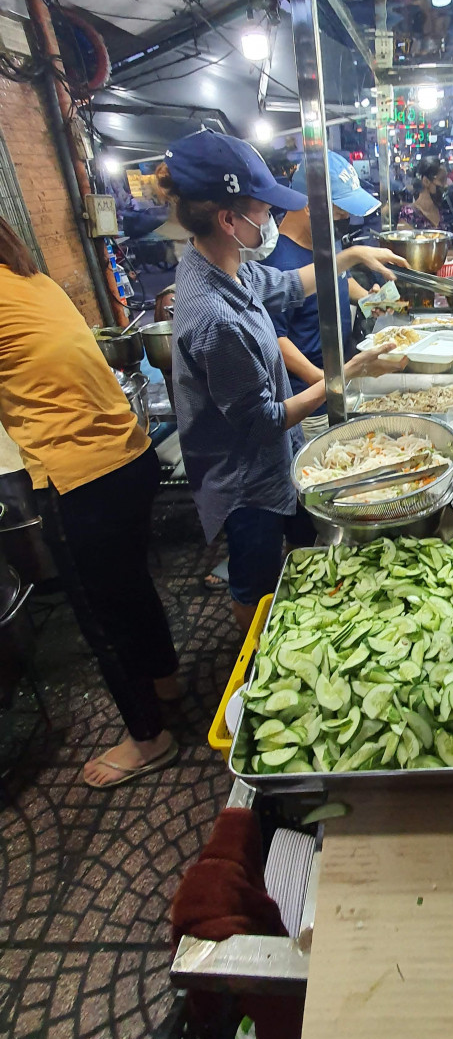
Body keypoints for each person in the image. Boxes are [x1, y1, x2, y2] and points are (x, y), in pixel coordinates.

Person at [162, 131, 407, 633]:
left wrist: (352, 255)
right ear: (229, 219)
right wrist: (344, 375)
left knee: (305, 544)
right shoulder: (213, 316)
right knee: (254, 584)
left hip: (278, 463)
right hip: (244, 481)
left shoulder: (225, 268)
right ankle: (253, 665)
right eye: (264, 210)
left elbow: (288, 284)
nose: (272, 221)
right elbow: (263, 422)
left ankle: (305, 622)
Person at [0, 218, 179, 789]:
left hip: (81, 479)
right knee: (130, 584)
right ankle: (165, 679)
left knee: (102, 619)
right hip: (131, 457)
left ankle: (149, 738)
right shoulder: (30, 279)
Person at [267, 152, 381, 441]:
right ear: (309, 206)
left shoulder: (323, 238)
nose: (343, 219)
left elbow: (341, 280)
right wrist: (325, 382)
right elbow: (277, 341)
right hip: (310, 403)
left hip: (338, 379)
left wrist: (367, 298)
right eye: (339, 212)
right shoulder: (278, 262)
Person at [398, 156, 448, 229]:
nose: (445, 185)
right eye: (441, 180)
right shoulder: (409, 214)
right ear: (426, 181)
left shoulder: (444, 212)